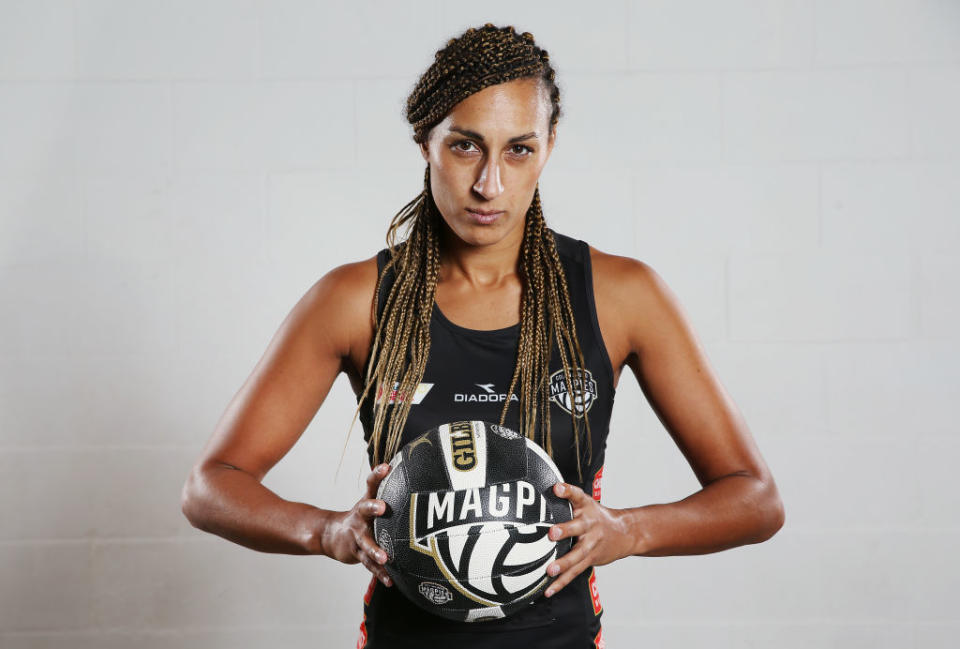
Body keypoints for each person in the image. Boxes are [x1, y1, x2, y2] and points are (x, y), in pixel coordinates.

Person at [180, 23, 785, 649]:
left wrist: (628, 531)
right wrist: (328, 531)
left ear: (550, 145)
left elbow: (755, 499)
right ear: (426, 142)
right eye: (466, 146)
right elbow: (210, 485)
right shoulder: (355, 299)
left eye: (518, 149)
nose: (489, 184)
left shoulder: (620, 295)